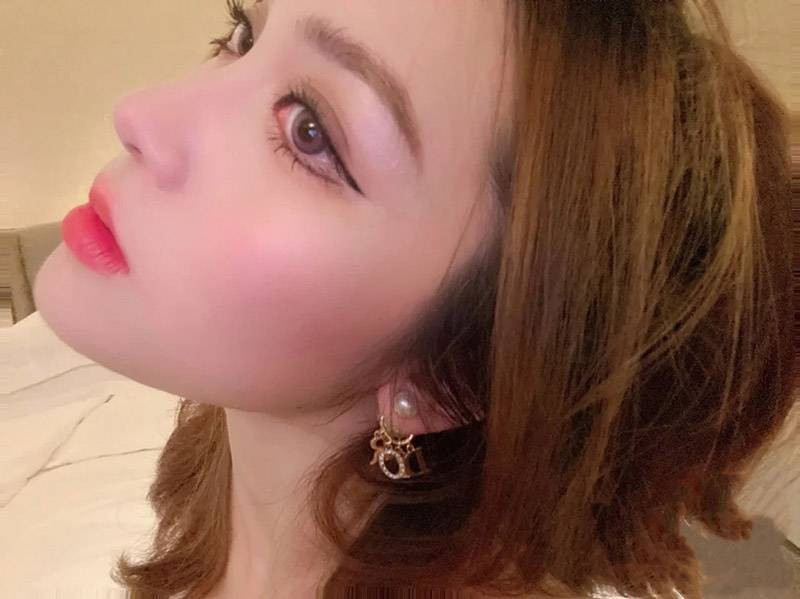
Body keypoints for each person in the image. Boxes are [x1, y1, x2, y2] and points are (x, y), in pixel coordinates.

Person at [31, 0, 795, 597]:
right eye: (243, 34)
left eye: (309, 131)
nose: (140, 112)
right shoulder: (196, 488)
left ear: (445, 377)